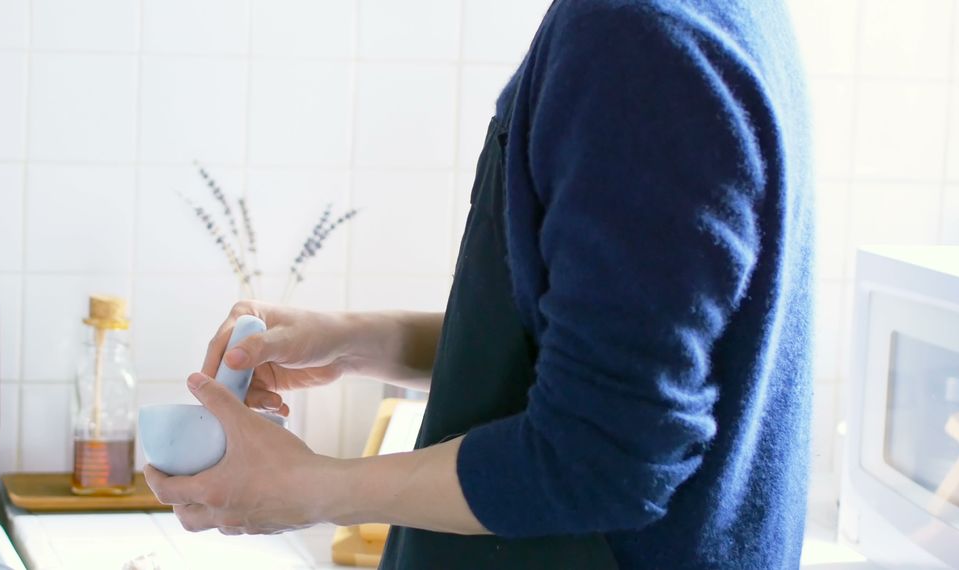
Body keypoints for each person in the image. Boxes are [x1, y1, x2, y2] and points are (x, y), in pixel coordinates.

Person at [144, 0, 814, 567]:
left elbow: (598, 457)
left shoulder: (637, 41)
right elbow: (587, 353)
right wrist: (353, 342)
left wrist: (311, 487)